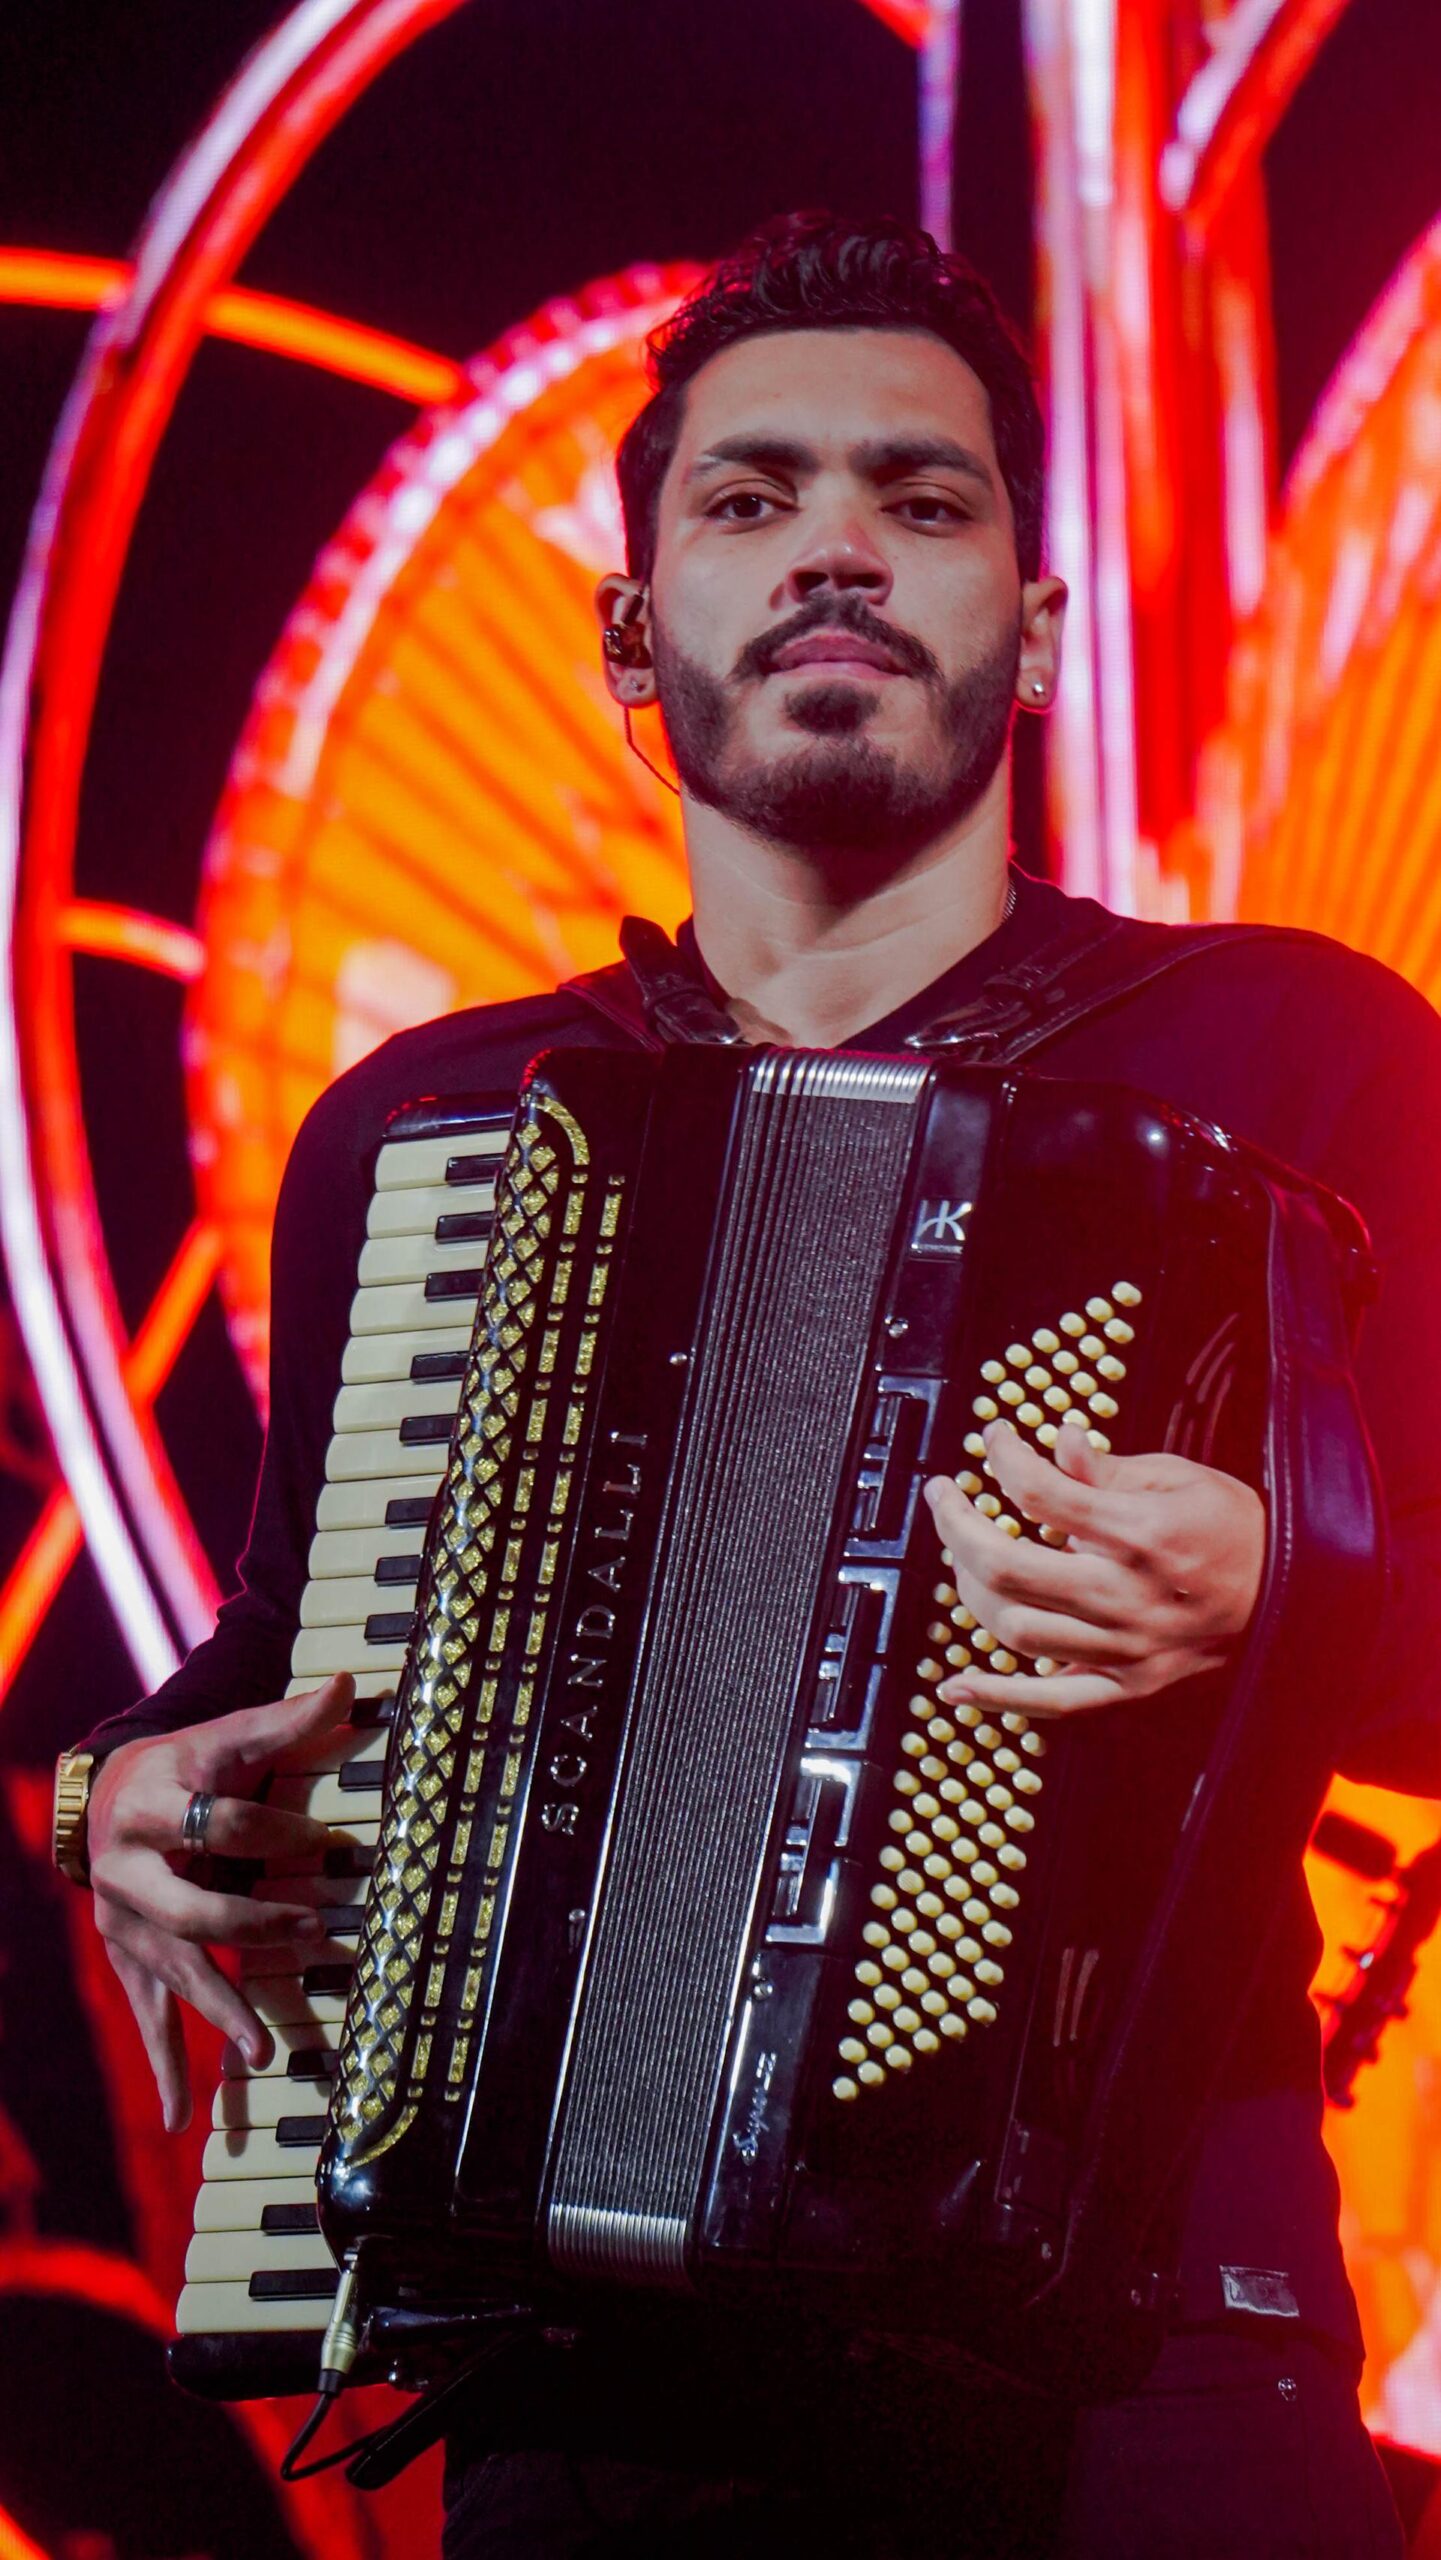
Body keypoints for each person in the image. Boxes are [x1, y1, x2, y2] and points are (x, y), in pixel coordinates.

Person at [54, 212, 1439, 2556]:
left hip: (1149, 2387)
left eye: (922, 498)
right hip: (585, 2398)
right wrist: (135, 1790)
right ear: (630, 630)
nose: (836, 550)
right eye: (750, 495)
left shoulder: (1293, 1042)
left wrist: (1288, 1587)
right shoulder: (427, 1132)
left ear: (1034, 626)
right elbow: (282, 1674)